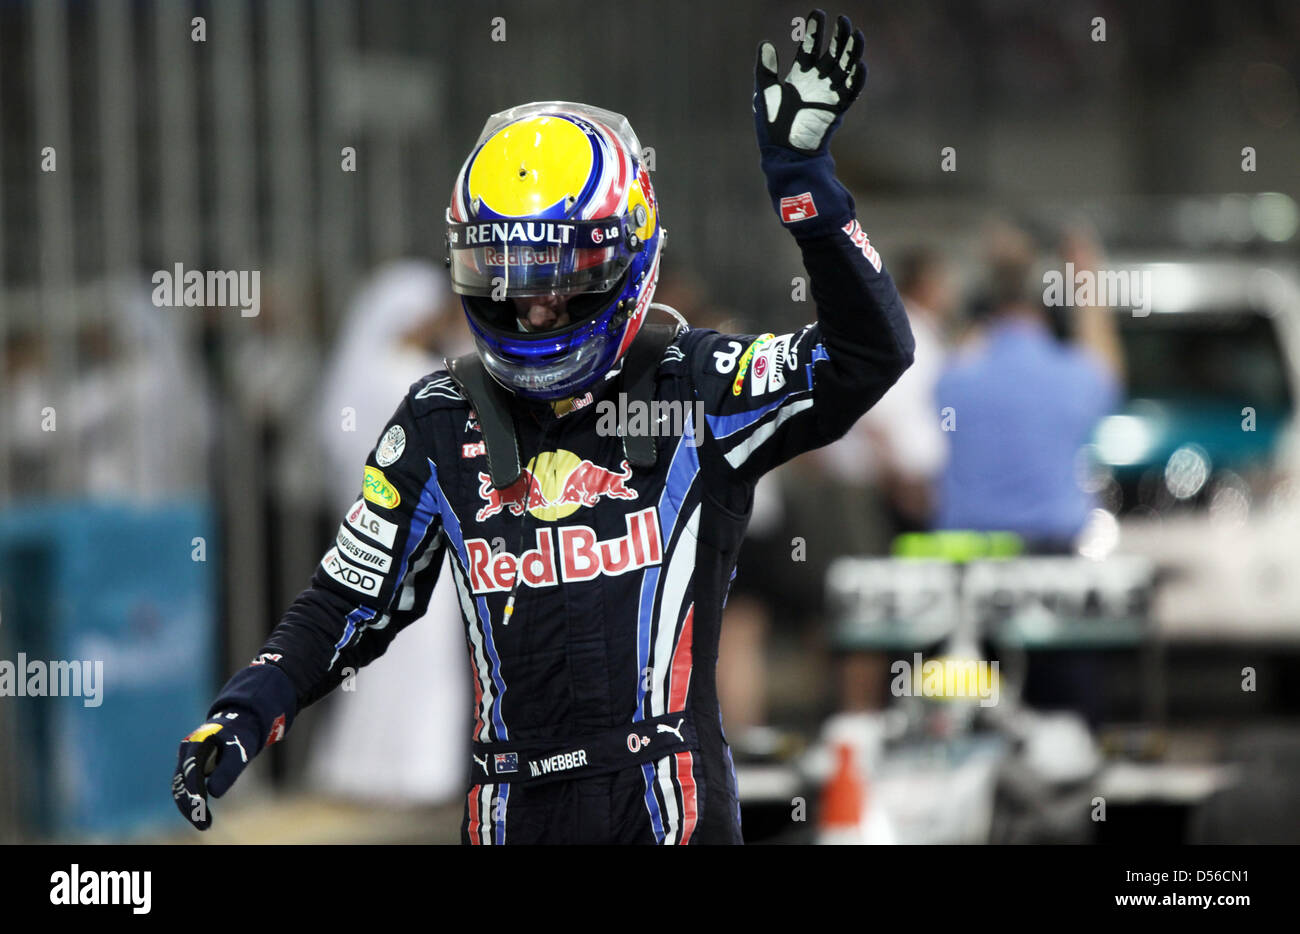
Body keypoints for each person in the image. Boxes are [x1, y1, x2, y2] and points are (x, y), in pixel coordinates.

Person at [172, 9, 915, 844]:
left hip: (666, 807)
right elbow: (346, 599)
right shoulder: (438, 417)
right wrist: (245, 709)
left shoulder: (696, 385)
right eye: (507, 272)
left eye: (562, 275)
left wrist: (804, 183)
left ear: (629, 256)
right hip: (507, 808)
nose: (533, 307)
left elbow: (868, 354)